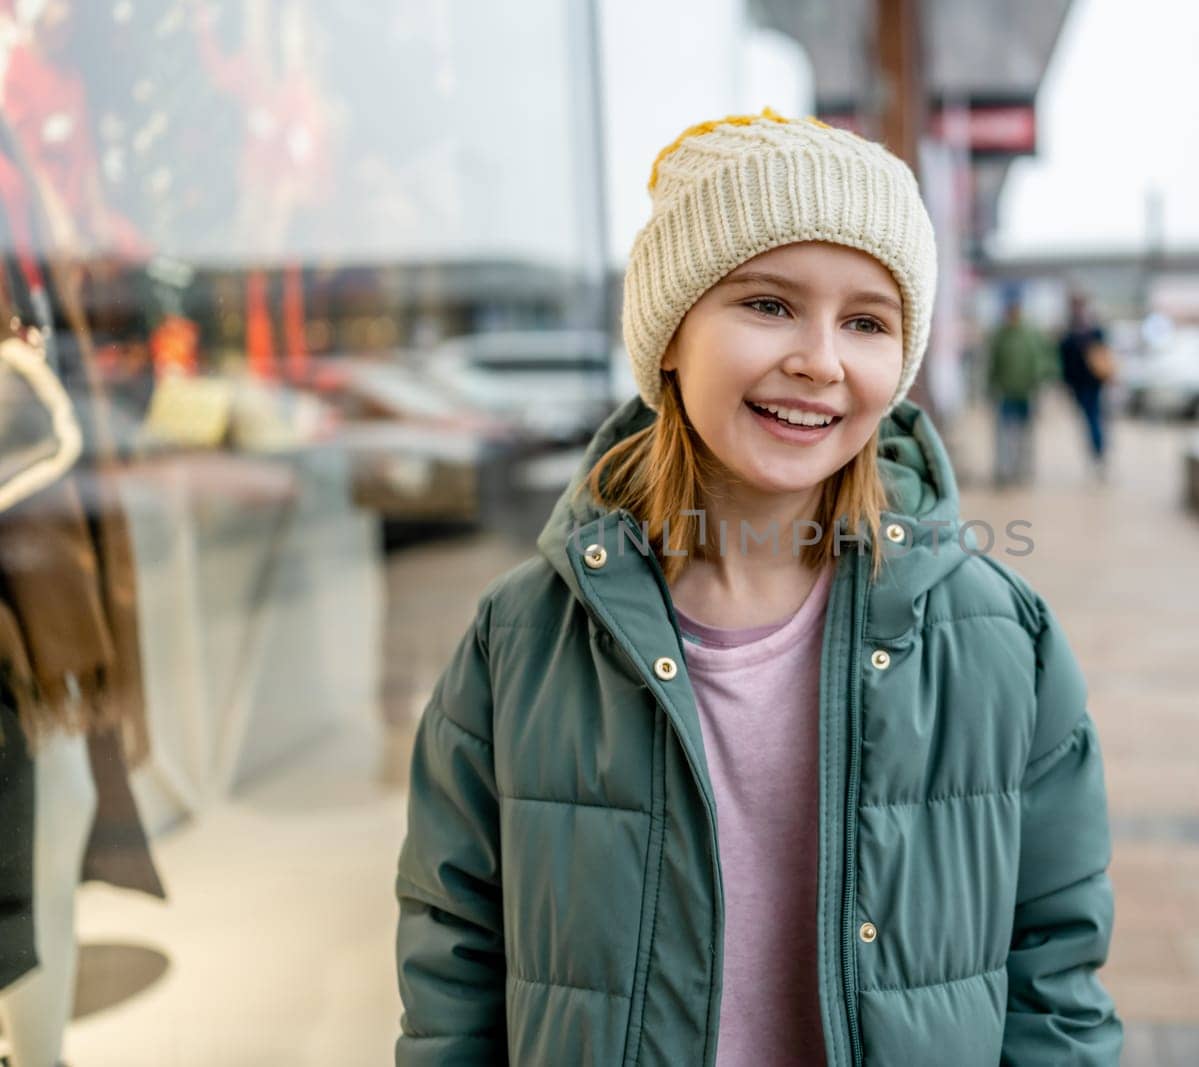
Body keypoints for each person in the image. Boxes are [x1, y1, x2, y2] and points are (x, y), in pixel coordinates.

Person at [394, 109, 1120, 1066]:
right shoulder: (521, 640)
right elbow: (455, 958)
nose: (819, 359)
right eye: (768, 304)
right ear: (668, 335)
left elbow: (1053, 973)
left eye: (866, 321)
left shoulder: (999, 639)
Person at [985, 295, 1054, 487]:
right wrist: (990, 387)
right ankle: (1004, 471)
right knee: (1004, 435)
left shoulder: (1031, 334)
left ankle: (1023, 470)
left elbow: (1043, 360)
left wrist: (1039, 383)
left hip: (1026, 393)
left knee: (1025, 434)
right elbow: (992, 364)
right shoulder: (1000, 335)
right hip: (1005, 393)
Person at [1058, 291, 1112, 480]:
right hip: (1082, 385)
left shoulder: (1089, 331)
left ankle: (1098, 453)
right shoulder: (1073, 333)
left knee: (1093, 419)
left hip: (1091, 384)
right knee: (1091, 420)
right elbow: (1064, 361)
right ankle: (1097, 454)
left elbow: (1104, 355)